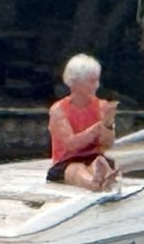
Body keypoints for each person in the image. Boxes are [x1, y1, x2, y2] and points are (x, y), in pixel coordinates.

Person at [46, 53, 119, 190]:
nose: (96, 86)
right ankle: (93, 183)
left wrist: (108, 125)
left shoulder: (101, 106)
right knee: (77, 169)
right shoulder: (58, 110)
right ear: (75, 83)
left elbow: (107, 144)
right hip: (66, 161)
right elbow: (71, 145)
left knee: (99, 162)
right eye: (91, 82)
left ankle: (104, 178)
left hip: (93, 156)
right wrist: (97, 128)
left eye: (97, 81)